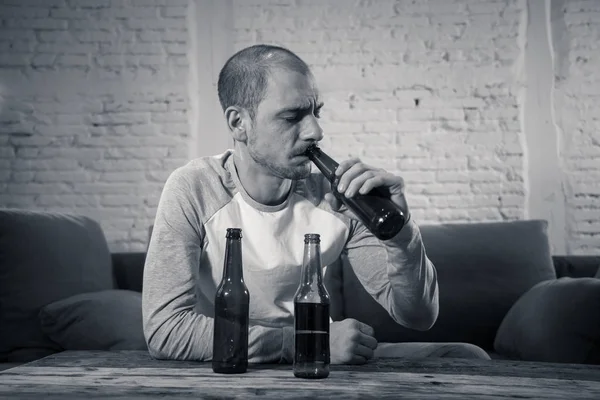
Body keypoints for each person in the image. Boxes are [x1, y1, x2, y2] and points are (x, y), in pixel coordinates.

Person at [142, 44, 490, 364]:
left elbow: (417, 316)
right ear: (239, 124)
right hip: (234, 358)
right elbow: (164, 331)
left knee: (466, 355)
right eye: (292, 117)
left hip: (321, 355)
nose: (315, 131)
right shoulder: (194, 187)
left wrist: (401, 234)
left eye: (315, 112)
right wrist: (304, 342)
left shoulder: (336, 196)